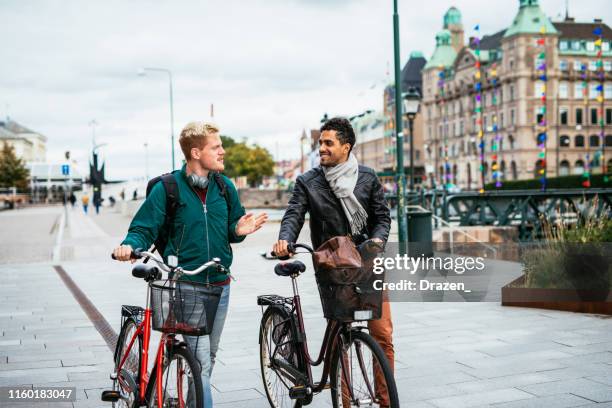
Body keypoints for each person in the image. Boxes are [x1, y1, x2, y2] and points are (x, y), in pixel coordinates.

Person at [113, 121, 267, 407]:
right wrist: (130, 245)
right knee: (200, 362)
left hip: (220, 284)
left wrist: (238, 231)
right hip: (186, 284)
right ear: (196, 152)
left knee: (207, 358)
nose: (223, 151)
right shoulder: (167, 188)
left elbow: (233, 227)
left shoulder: (224, 186)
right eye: (216, 146)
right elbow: (144, 227)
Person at [272, 117, 394, 406]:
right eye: (320, 143)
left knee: (382, 334)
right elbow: (294, 214)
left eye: (328, 143)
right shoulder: (308, 182)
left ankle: (387, 400)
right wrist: (284, 239)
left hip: (368, 262)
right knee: (341, 336)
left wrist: (378, 240)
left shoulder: (367, 177)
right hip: (333, 265)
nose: (322, 149)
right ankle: (345, 401)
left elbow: (382, 217)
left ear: (346, 147)